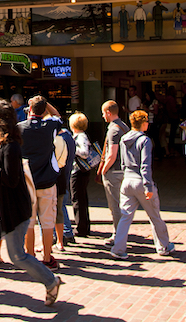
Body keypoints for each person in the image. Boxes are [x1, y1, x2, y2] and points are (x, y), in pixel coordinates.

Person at [0, 99, 63, 319]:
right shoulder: (0, 143)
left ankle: (51, 281)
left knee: (17, 255)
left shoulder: (11, 145)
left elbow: (11, 180)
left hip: (12, 209)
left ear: (2, 119)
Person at [110, 111, 174, 259]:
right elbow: (145, 165)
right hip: (140, 180)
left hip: (127, 180)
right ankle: (163, 246)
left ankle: (118, 248)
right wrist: (148, 186)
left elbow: (123, 162)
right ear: (143, 123)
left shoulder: (124, 138)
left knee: (125, 216)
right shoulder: (145, 140)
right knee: (154, 215)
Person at [18, 95, 61, 269]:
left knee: (29, 219)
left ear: (29, 111)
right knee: (47, 219)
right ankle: (47, 255)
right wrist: (44, 103)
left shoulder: (19, 128)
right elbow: (57, 116)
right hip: (47, 179)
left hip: (27, 178)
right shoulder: (50, 125)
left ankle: (29, 254)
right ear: (44, 111)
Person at [96, 100, 129, 246]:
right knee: (122, 204)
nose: (103, 116)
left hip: (114, 171)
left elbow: (112, 154)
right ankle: (121, 232)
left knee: (114, 205)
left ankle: (118, 235)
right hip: (124, 170)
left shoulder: (113, 130)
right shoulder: (124, 126)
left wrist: (104, 170)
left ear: (108, 113)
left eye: (103, 113)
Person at [69, 112, 92, 237]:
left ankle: (81, 227)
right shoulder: (80, 136)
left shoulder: (80, 137)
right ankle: (84, 225)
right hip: (80, 171)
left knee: (78, 199)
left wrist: (72, 147)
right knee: (81, 198)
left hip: (78, 171)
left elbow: (84, 153)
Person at [53, 123, 76, 251]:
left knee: (56, 208)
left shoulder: (56, 141)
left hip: (55, 177)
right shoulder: (68, 138)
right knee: (61, 208)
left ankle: (62, 236)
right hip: (63, 176)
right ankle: (65, 234)